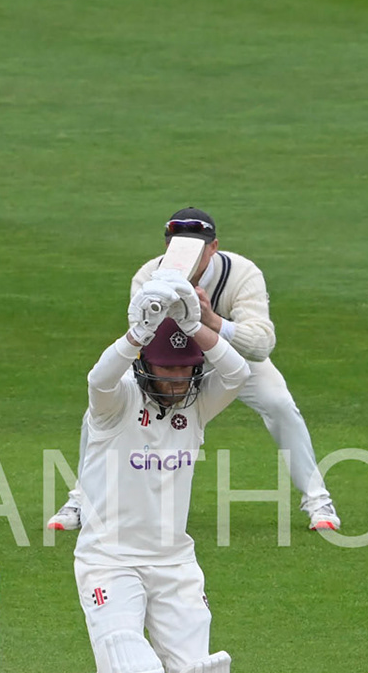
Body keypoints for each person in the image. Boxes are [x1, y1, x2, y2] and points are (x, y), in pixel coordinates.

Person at [76, 270, 250, 673]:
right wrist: (134, 335)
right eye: (168, 369)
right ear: (145, 365)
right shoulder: (115, 404)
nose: (178, 379)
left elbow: (239, 372)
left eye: (185, 370)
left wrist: (198, 328)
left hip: (175, 562)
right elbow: (98, 378)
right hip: (110, 560)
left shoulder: (195, 407)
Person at [50, 207, 339, 534]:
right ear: (167, 246)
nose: (187, 256)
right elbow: (144, 339)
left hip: (226, 355)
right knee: (99, 411)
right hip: (171, 363)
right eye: (177, 245)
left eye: (197, 248)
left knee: (279, 404)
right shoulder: (149, 275)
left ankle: (317, 500)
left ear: (213, 247)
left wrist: (210, 320)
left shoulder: (242, 273)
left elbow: (261, 345)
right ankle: (81, 501)